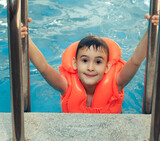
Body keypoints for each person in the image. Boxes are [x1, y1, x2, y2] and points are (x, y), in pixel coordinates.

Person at [21, 13, 159, 113]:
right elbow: (43, 68)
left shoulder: (116, 83)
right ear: (75, 64)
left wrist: (151, 29)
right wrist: (25, 37)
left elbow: (135, 61)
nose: (90, 68)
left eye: (98, 62)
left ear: (107, 67)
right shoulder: (66, 86)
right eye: (85, 60)